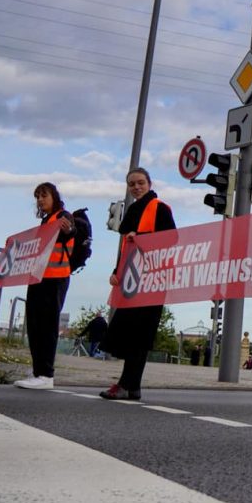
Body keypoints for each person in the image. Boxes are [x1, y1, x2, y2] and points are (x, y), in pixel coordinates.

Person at [98, 167, 175, 400]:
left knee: (138, 334)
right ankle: (132, 386)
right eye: (132, 184)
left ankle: (126, 384)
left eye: (140, 182)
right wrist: (116, 271)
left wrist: (140, 239)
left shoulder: (160, 208)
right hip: (132, 280)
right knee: (132, 334)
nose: (136, 187)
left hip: (151, 281)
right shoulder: (133, 209)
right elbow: (126, 248)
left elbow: (171, 240)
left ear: (149, 183)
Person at [14, 182, 76, 390]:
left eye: (44, 195)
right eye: (37, 196)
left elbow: (69, 231)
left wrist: (68, 229)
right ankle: (38, 370)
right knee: (34, 324)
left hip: (55, 278)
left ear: (54, 197)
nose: (40, 200)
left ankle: (46, 374)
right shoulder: (46, 221)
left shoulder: (62, 216)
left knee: (47, 325)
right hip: (39, 278)